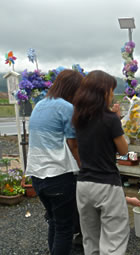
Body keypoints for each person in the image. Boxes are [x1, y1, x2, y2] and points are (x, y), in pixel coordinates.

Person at [72, 70, 133, 255]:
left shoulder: (78, 117)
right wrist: (118, 120)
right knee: (114, 240)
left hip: (83, 184)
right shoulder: (110, 119)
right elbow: (124, 151)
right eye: (111, 90)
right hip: (107, 185)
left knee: (91, 240)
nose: (113, 94)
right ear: (103, 92)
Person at [26, 69, 83, 255]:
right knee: (65, 229)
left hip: (37, 176)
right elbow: (73, 144)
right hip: (58, 175)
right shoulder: (66, 107)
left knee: (54, 222)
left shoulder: (40, 105)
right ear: (72, 89)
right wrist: (84, 168)